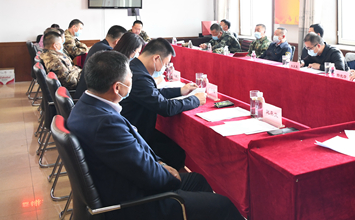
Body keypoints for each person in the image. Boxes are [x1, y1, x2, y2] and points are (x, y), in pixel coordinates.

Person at [67, 50, 244, 220]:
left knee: (197, 180)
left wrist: (160, 163)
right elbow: (149, 176)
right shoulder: (106, 124)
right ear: (117, 87)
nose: (132, 80)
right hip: (135, 203)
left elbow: (135, 156)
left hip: (121, 183)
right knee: (223, 205)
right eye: (130, 77)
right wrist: (169, 177)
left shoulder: (86, 106)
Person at [121, 38, 206, 170]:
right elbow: (165, 107)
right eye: (165, 64)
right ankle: (172, 178)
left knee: (174, 149)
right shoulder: (139, 76)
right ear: (156, 58)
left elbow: (153, 94)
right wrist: (195, 100)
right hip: (136, 135)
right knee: (175, 153)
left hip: (137, 127)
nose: (165, 68)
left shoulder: (136, 67)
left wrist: (180, 91)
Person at [73, 25, 127, 99]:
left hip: (84, 94)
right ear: (117, 41)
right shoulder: (107, 51)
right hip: (90, 98)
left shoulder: (98, 45)